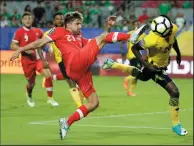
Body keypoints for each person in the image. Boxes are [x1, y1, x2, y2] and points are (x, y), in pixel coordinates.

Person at [10, 11, 147, 139]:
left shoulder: (79, 38)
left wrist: (108, 27)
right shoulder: (59, 31)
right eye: (77, 23)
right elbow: (39, 42)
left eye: (81, 23)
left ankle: (66, 123)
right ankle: (131, 36)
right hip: (73, 63)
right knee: (102, 38)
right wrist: (20, 49)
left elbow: (101, 42)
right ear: (68, 24)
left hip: (81, 72)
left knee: (94, 103)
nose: (80, 26)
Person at [102, 15, 188, 136]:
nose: (168, 34)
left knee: (142, 77)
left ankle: (113, 64)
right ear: (159, 33)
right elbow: (135, 48)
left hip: (161, 65)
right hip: (154, 67)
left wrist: (178, 53)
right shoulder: (152, 39)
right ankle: (175, 124)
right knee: (174, 92)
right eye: (165, 34)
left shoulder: (172, 28)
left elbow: (173, 40)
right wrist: (146, 64)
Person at [10, 11, 59, 107]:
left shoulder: (38, 31)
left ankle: (50, 98)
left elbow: (45, 41)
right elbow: (12, 45)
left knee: (48, 74)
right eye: (25, 19)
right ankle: (29, 95)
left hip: (38, 59)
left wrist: (49, 46)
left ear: (32, 20)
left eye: (29, 18)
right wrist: (23, 50)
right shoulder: (19, 32)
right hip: (27, 61)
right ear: (22, 20)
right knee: (31, 83)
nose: (28, 21)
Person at [42, 12, 84, 108]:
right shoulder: (51, 32)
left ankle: (53, 78)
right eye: (57, 19)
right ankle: (80, 106)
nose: (60, 20)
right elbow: (42, 44)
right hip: (62, 60)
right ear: (54, 21)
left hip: (76, 57)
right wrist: (49, 48)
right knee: (71, 81)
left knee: (79, 79)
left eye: (61, 18)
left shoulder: (72, 29)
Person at [120, 20, 146, 96]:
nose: (137, 25)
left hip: (138, 55)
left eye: (138, 24)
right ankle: (126, 79)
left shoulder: (143, 34)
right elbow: (122, 42)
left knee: (136, 74)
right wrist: (123, 53)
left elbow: (147, 44)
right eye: (136, 24)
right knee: (138, 72)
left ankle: (130, 91)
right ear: (133, 25)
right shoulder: (130, 33)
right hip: (133, 55)